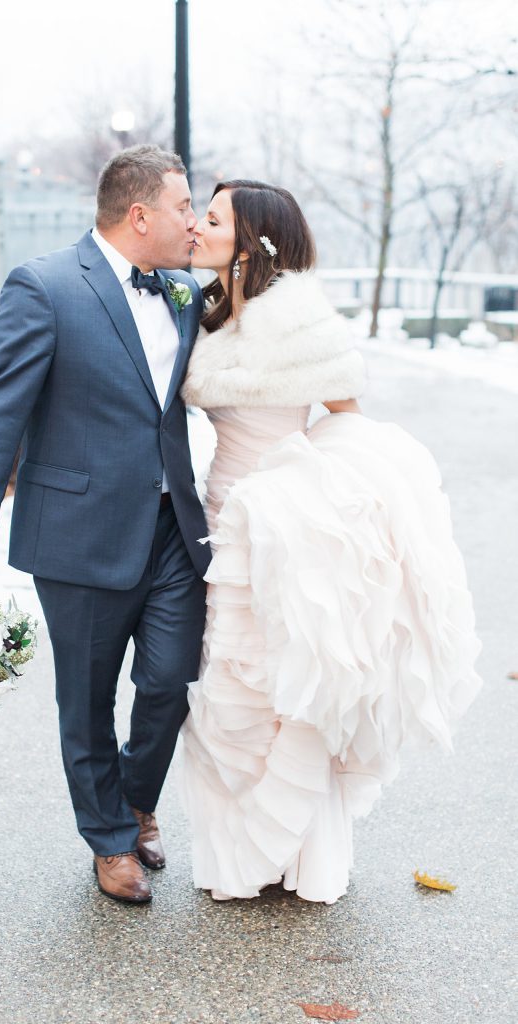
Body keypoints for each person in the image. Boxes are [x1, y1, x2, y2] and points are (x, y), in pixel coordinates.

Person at [180, 179, 482, 904]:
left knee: (291, 678)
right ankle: (248, 845)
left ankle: (297, 850)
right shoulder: (210, 312)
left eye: (212, 218)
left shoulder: (301, 320)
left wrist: (318, 492)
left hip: (287, 525)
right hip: (224, 513)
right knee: (234, 680)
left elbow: (347, 415)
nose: (196, 225)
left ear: (250, 240)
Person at [0, 145, 210, 905]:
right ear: (140, 214)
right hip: (79, 530)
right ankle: (110, 840)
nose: (192, 220)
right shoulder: (46, 286)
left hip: (171, 528)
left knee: (170, 679)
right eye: (184, 206)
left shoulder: (184, 290)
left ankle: (134, 799)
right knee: (86, 695)